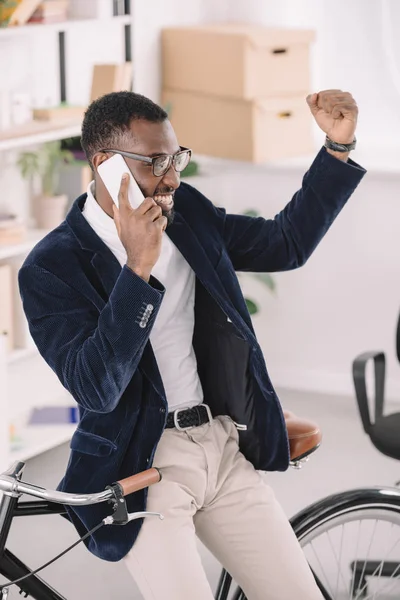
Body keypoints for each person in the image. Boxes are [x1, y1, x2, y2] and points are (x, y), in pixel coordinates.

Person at [19, 89, 365, 599]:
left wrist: (338, 148)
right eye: (156, 161)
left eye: (176, 157)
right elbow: (96, 388)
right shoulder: (51, 268)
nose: (173, 177)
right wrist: (138, 267)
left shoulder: (187, 214)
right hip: (140, 469)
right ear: (104, 165)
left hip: (220, 448)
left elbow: (284, 243)